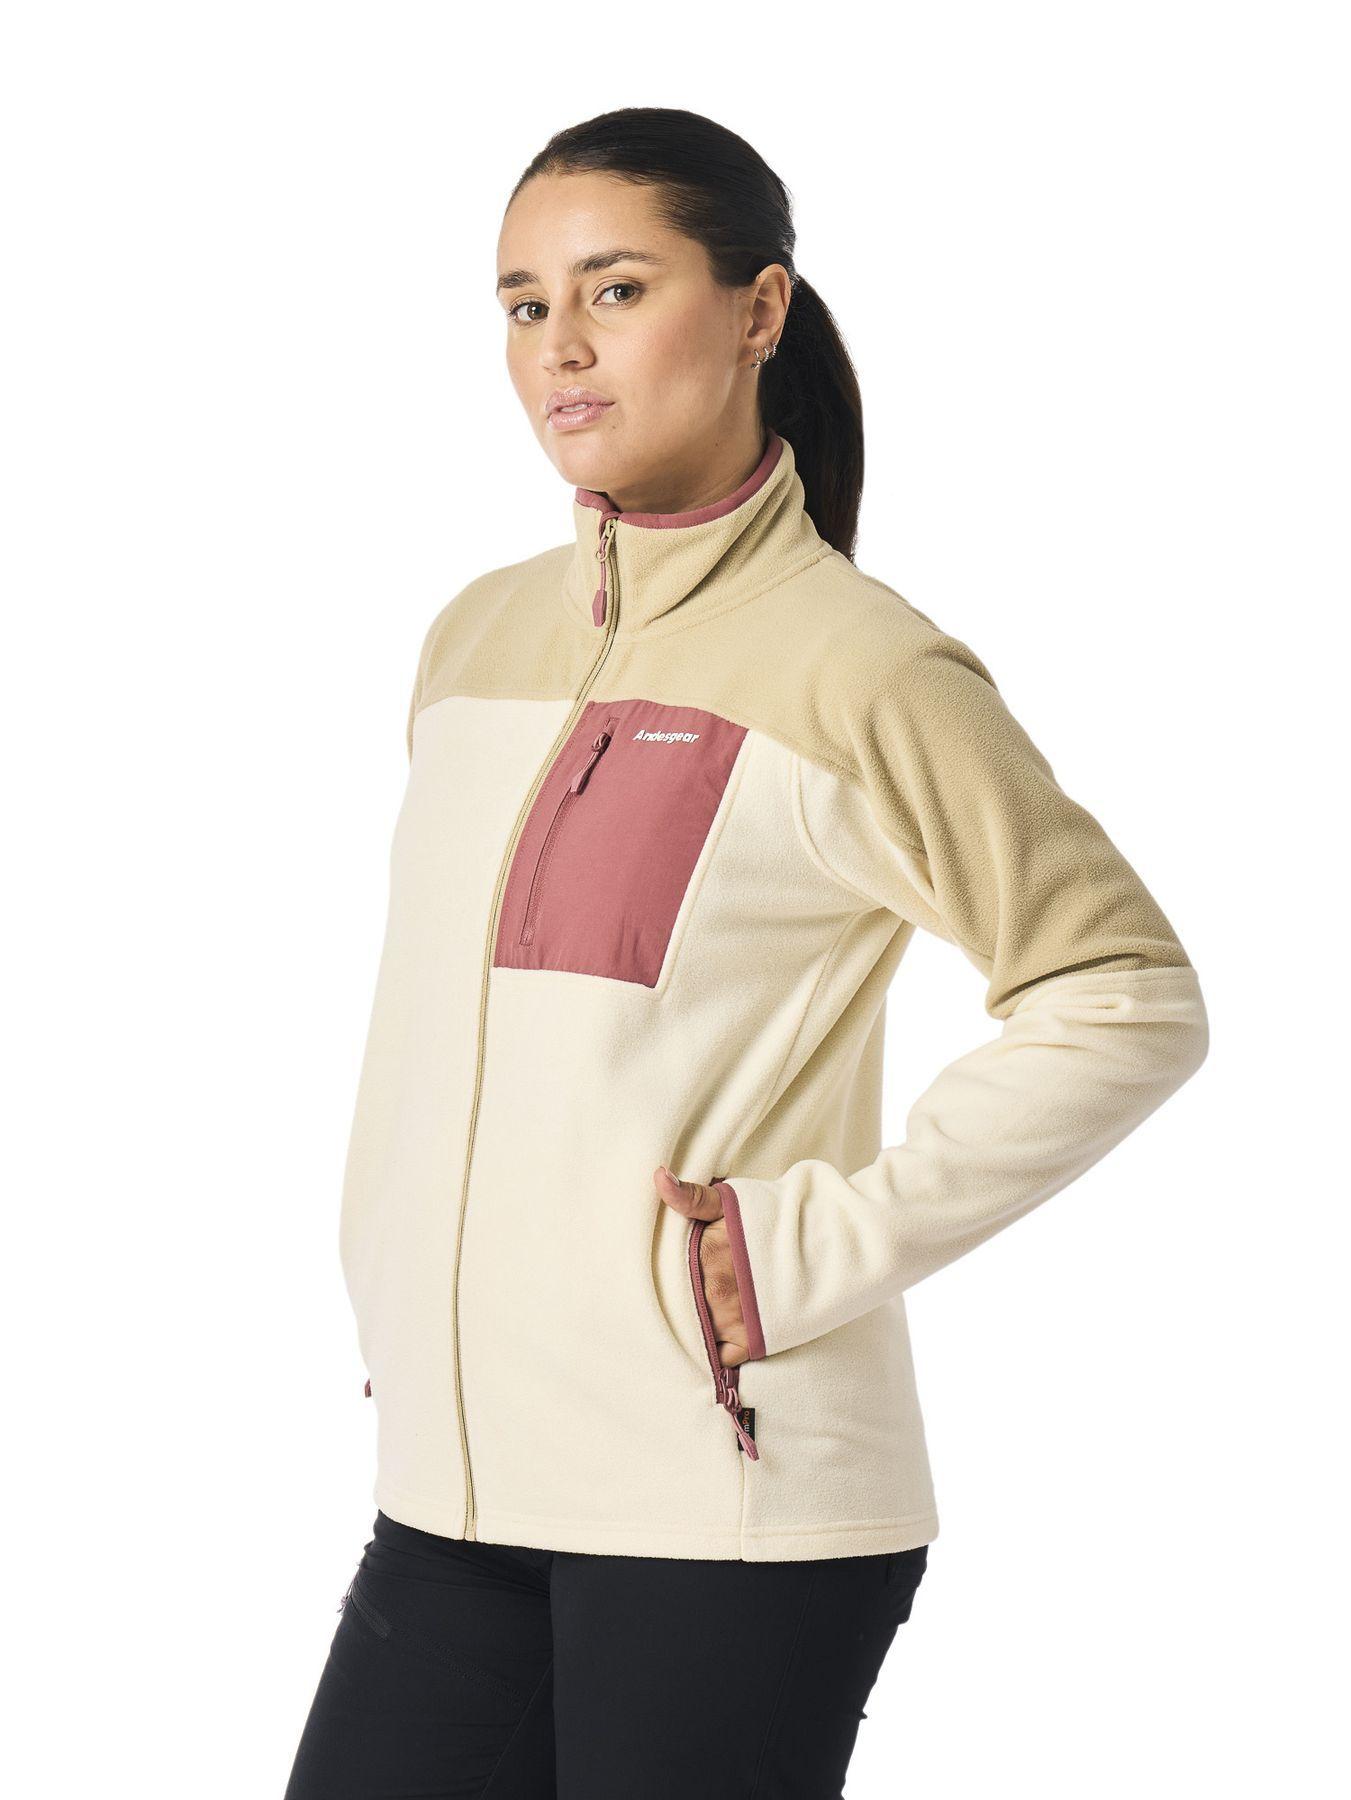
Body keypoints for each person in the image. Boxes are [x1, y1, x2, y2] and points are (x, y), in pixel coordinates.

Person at [284, 106, 1209, 1799]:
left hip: (725, 1506)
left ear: (760, 308)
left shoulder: (862, 670)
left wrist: (806, 1250)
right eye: (522, 303)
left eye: (617, 289)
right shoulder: (474, 639)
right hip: (452, 1485)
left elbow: (1123, 997)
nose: (559, 346)